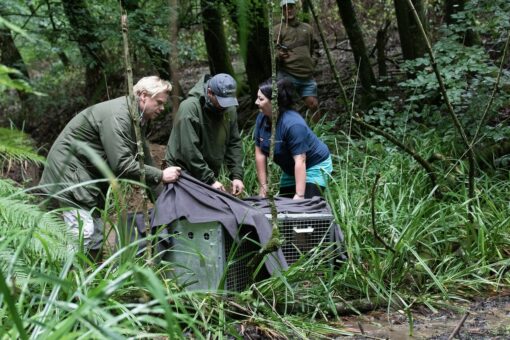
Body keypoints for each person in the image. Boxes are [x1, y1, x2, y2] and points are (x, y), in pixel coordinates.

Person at [40, 76, 181, 256]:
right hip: (69, 174)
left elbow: (144, 157)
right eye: (159, 102)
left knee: (97, 237)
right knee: (83, 234)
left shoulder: (137, 117)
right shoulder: (118, 117)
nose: (162, 108)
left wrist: (164, 200)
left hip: (88, 177)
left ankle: (91, 280)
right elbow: (122, 165)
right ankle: (67, 280)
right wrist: (161, 175)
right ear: (144, 96)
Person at [164, 73, 244, 195]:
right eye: (222, 101)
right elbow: (189, 151)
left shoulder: (229, 108)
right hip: (182, 174)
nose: (225, 106)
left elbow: (234, 142)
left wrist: (237, 175)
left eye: (229, 102)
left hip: (207, 172)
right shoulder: (189, 108)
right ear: (210, 93)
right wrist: (209, 180)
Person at [254, 78, 332, 199]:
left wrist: (299, 195)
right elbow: (260, 153)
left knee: (306, 208)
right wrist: (263, 186)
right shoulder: (262, 117)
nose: (256, 102)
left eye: (261, 99)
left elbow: (300, 160)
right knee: (284, 207)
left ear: (274, 102)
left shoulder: (293, 124)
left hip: (313, 165)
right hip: (290, 170)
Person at [275, 0, 319, 115]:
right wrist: (278, 55)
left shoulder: (307, 28)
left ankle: (318, 132)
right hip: (287, 74)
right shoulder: (278, 30)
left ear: (296, 8)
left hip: (307, 75)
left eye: (291, 7)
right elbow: (272, 51)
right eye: (285, 8)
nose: (288, 10)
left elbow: (315, 48)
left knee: (313, 104)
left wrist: (312, 62)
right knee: (287, 108)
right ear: (282, 11)